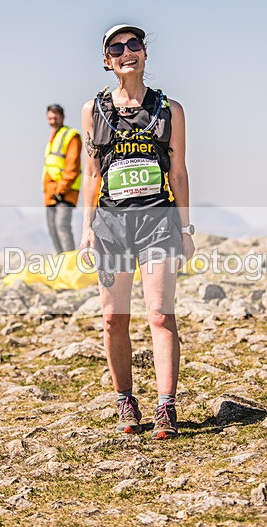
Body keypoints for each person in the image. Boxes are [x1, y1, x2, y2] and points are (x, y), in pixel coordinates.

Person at [79, 24, 195, 440]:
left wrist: (186, 227)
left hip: (158, 220)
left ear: (145, 54)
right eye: (117, 48)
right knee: (113, 318)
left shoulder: (170, 109)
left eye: (135, 45)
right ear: (106, 61)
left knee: (161, 315)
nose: (127, 52)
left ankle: (166, 405)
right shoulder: (93, 111)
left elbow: (179, 171)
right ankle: (124, 398)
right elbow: (91, 174)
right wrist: (88, 229)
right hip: (110, 224)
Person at [43, 104, 82, 253]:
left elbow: (73, 166)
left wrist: (61, 189)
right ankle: (61, 264)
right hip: (50, 193)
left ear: (62, 117)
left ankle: (70, 264)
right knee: (53, 230)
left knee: (62, 226)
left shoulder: (71, 136)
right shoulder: (52, 140)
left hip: (64, 192)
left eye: (55, 117)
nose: (52, 121)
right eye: (50, 118)